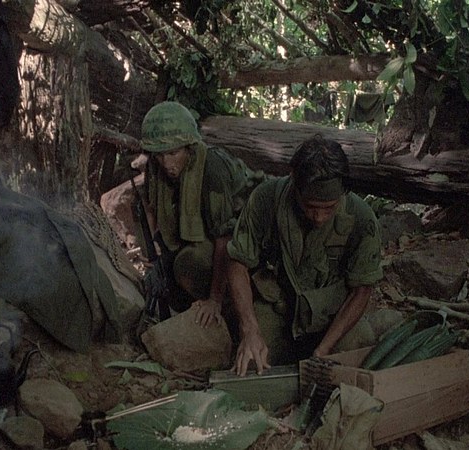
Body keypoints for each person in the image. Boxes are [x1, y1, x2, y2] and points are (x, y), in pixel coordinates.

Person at [226, 134, 383, 375]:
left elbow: (362, 290)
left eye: (329, 208)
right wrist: (250, 330)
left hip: (331, 318)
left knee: (357, 353)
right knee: (250, 365)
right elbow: (238, 262)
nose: (319, 217)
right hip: (279, 310)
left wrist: (323, 350)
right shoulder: (266, 199)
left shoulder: (361, 218)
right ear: (294, 183)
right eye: (310, 207)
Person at [139, 101, 262, 328]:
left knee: (189, 263)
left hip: (246, 242)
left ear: (189, 147)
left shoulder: (211, 169)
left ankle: (229, 310)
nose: (166, 163)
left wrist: (214, 300)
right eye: (159, 155)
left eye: (173, 153)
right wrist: (155, 254)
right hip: (207, 236)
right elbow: (152, 210)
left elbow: (225, 239)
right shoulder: (155, 167)